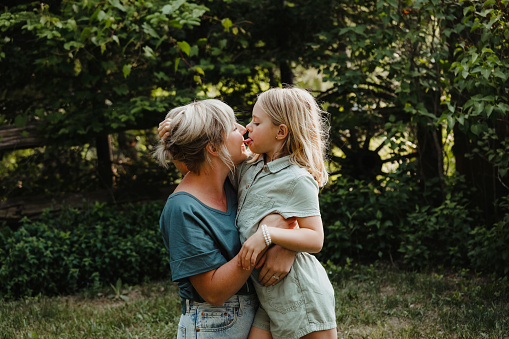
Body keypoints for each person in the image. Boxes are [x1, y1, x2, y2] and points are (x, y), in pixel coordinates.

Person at [153, 99, 296, 339]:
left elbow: (293, 207)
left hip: (254, 311)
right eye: (232, 127)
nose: (244, 129)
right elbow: (214, 292)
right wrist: (261, 242)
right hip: (213, 324)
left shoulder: (233, 181)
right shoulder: (182, 209)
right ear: (212, 147)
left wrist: (285, 247)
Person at [232, 87, 337, 339]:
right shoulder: (250, 168)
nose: (248, 127)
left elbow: (315, 238)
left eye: (256, 122)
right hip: (269, 296)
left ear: (281, 132)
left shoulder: (297, 178)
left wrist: (268, 235)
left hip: (301, 296)